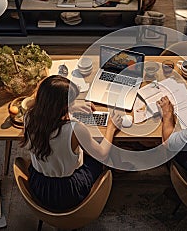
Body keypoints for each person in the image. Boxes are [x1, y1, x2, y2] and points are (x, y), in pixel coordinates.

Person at [20, 75, 122, 212]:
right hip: (68, 192)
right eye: (70, 102)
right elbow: (102, 154)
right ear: (61, 107)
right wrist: (111, 127)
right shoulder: (75, 129)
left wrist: (70, 108)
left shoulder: (28, 118)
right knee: (104, 156)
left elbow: (40, 105)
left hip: (40, 186)